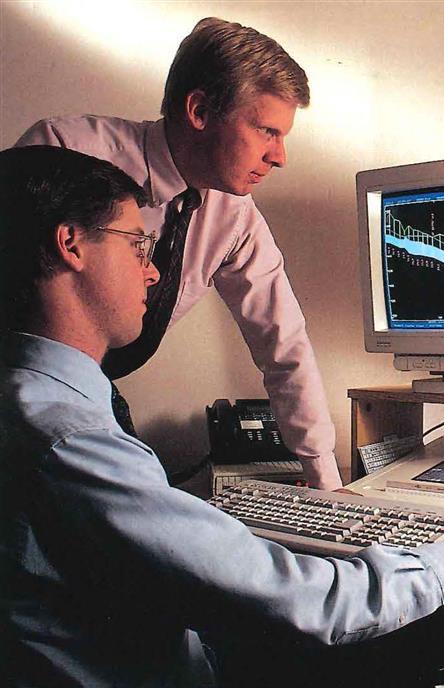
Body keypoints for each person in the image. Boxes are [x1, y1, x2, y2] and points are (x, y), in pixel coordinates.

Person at [0, 145, 444, 688]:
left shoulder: (28, 404)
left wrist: (221, 527)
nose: (155, 272)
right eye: (137, 245)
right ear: (70, 245)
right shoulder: (64, 437)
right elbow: (298, 603)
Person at [15, 16, 343, 491]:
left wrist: (324, 482)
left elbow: (284, 342)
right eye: (267, 131)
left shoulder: (235, 215)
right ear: (200, 110)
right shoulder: (67, 152)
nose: (280, 156)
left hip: (93, 397)